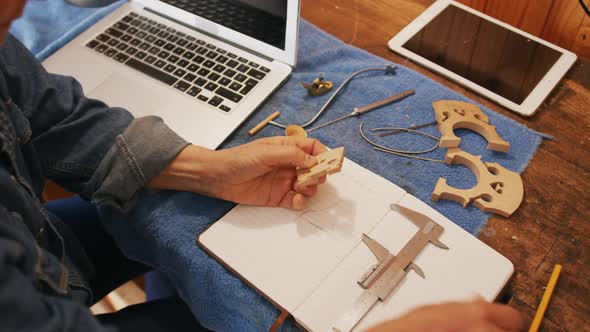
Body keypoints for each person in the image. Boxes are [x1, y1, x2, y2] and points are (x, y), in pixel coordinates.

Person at [0, 0, 524, 331]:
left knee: (186, 229)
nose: (20, 12)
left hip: (42, 247)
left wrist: (205, 168)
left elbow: (51, 114)